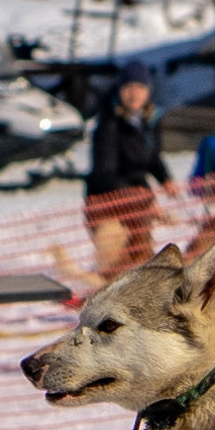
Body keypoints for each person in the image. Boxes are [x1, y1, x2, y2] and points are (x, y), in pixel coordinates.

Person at [85, 60, 172, 273]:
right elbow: (105, 175)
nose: (134, 94)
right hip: (105, 202)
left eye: (140, 88)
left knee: (142, 254)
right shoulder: (108, 125)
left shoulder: (149, 121)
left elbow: (152, 157)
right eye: (129, 88)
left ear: (148, 91)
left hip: (136, 200)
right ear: (120, 90)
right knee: (116, 261)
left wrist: (165, 179)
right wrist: (144, 200)